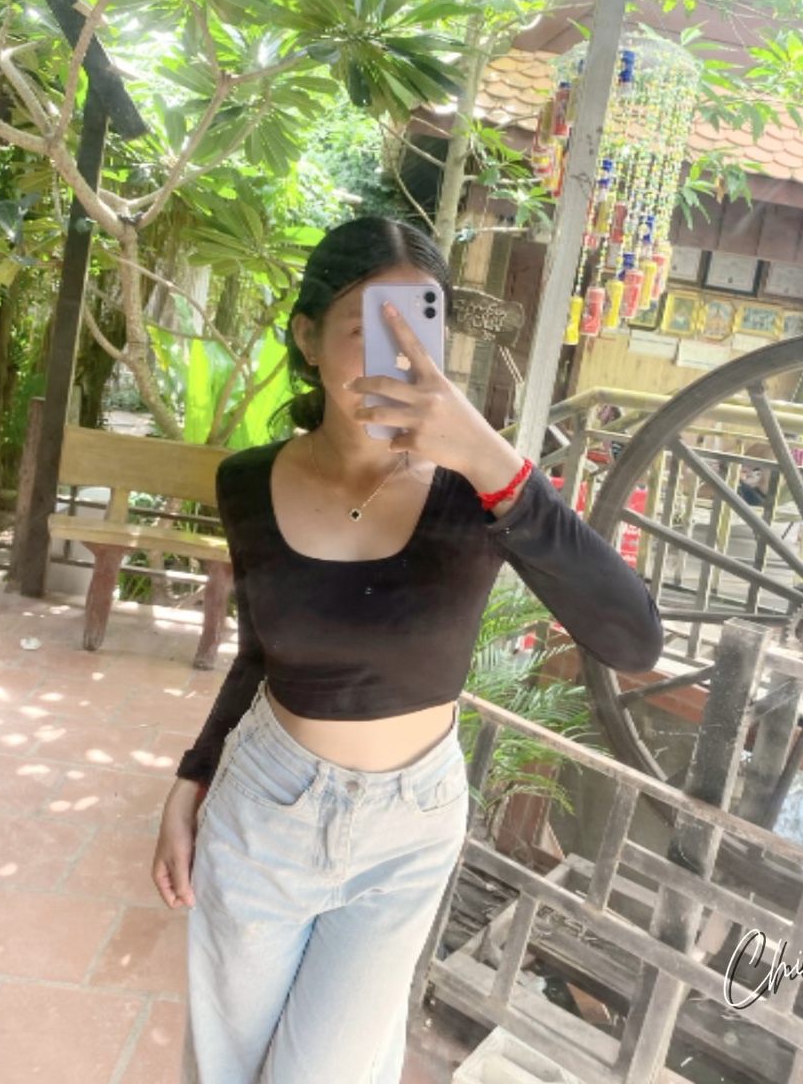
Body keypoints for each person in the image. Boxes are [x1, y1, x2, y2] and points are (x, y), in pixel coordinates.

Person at [152, 216, 663, 1084]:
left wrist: (493, 459)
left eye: (418, 328)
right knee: (226, 1066)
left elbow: (633, 639)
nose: (399, 354)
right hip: (267, 801)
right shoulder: (249, 480)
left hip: (408, 828)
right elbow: (261, 652)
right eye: (368, 326)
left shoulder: (481, 491)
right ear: (307, 337)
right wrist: (193, 777)